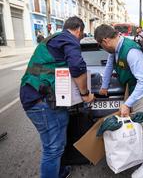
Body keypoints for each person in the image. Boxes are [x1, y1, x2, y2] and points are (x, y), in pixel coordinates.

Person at [20, 16, 94, 178]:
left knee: (58, 140)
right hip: (40, 100)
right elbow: (76, 66)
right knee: (52, 148)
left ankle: (60, 172)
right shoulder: (69, 38)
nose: (80, 40)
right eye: (81, 37)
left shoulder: (54, 39)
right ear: (79, 30)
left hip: (39, 96)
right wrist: (85, 95)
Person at [94, 24, 143, 178]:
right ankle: (135, 152)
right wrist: (104, 86)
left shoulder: (131, 51)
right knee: (129, 119)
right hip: (131, 85)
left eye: (101, 45)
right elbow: (110, 66)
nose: (103, 49)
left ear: (106, 40)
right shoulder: (115, 49)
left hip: (141, 89)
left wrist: (128, 103)